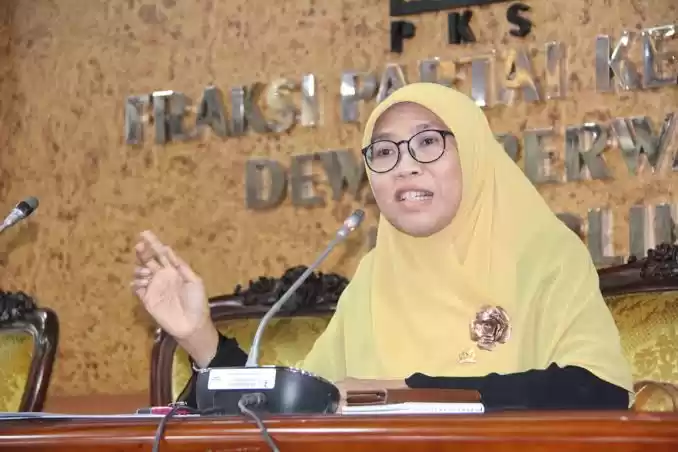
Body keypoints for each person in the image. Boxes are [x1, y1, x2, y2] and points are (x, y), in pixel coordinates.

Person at [133, 83, 633, 410]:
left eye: (428, 142)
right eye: (386, 151)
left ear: (474, 154)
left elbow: (598, 391)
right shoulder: (375, 276)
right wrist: (200, 337)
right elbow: (292, 406)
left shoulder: (544, 256)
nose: (405, 166)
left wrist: (404, 394)